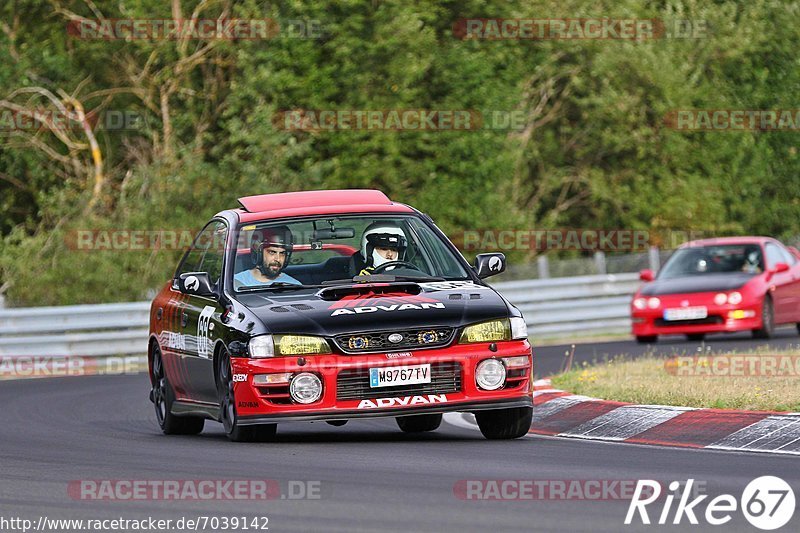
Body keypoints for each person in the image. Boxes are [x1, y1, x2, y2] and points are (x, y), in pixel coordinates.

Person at [235, 226, 301, 287]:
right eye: (272, 252)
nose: (277, 259)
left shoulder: (293, 286)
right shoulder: (236, 283)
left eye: (282, 253)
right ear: (258, 252)